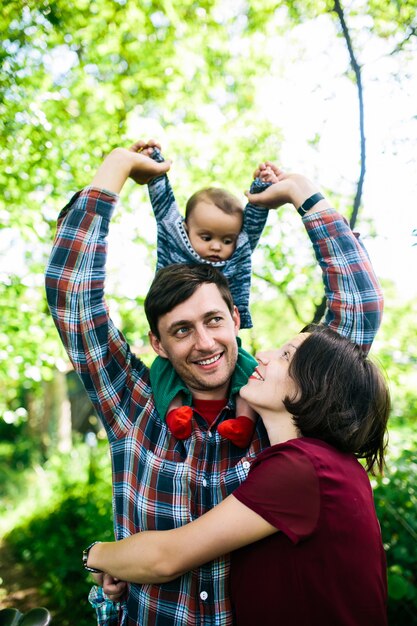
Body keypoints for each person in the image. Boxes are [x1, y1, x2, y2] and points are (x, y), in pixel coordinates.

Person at [45, 140, 384, 626]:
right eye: (181, 330)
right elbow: (71, 297)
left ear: (236, 318)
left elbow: (360, 310)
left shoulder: (285, 408)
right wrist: (118, 165)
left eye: (213, 320)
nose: (204, 342)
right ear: (158, 345)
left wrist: (304, 198)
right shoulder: (132, 403)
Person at [84, 322, 390, 626]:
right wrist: (122, 560)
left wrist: (96, 555)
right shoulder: (323, 464)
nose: (262, 354)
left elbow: (165, 558)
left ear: (318, 386)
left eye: (285, 355)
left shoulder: (303, 468)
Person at [142, 143, 275, 448]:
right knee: (163, 370)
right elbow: (164, 207)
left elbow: (252, 223)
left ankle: (243, 421)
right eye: (207, 237)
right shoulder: (175, 242)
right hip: (168, 320)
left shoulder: (237, 253)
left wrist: (262, 187)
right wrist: (154, 168)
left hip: (234, 348)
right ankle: (177, 413)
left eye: (226, 239)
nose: (217, 247)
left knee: (247, 369)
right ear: (187, 229)